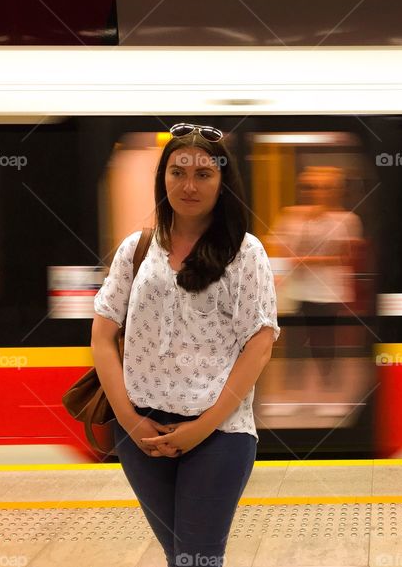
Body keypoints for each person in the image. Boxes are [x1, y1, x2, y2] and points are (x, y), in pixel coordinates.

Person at [91, 122, 280, 567]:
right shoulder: (137, 248)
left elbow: (260, 343)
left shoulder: (245, 252)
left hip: (219, 433)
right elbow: (102, 335)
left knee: (199, 556)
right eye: (177, 172)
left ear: (222, 181)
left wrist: (203, 426)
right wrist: (129, 420)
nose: (188, 185)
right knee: (179, 554)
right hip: (141, 432)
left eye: (203, 174)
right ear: (163, 179)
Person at [269, 166, 361, 405]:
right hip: (296, 290)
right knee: (293, 342)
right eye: (310, 187)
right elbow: (282, 251)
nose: (317, 192)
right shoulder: (290, 216)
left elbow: (344, 256)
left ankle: (329, 387)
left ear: (335, 191)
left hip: (327, 291)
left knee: (325, 339)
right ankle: (293, 391)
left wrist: (304, 259)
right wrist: (308, 259)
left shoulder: (346, 220)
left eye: (324, 187)